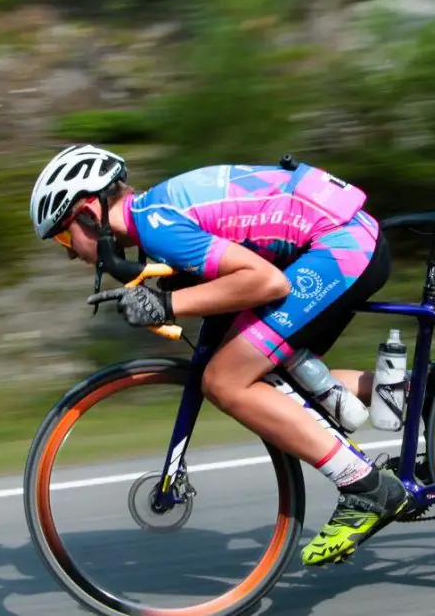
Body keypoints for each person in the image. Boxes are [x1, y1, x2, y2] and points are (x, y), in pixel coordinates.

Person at [29, 143, 412, 566]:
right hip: (341, 237)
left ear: (88, 213)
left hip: (339, 245)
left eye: (64, 235)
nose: (67, 251)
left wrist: (169, 306)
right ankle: (421, 397)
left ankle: (366, 487)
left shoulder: (156, 225)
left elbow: (267, 282)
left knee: (225, 380)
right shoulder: (154, 215)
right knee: (268, 377)